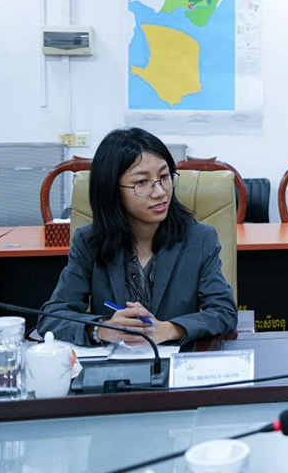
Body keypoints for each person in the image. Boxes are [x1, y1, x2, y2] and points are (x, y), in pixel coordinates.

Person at [39, 127, 238, 347]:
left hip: (177, 362)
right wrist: (102, 329)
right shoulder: (89, 241)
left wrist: (168, 329)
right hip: (113, 365)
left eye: (164, 177)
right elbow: (52, 317)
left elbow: (224, 312)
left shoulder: (199, 238)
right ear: (112, 190)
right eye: (142, 182)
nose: (160, 192)